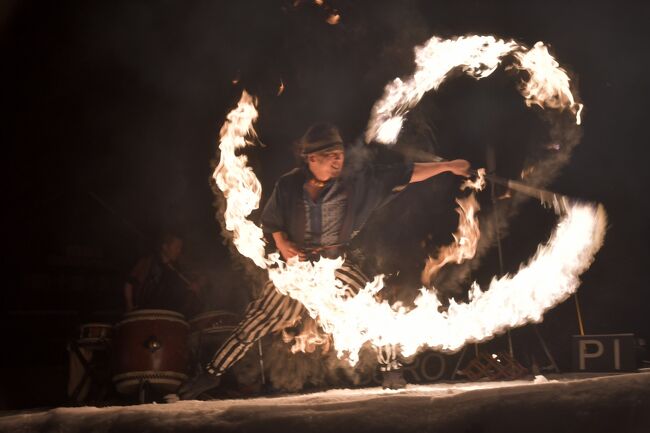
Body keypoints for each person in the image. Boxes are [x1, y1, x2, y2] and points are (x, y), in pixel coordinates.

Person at [179, 123, 470, 398]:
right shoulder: (289, 185)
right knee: (259, 319)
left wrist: (446, 166)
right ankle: (211, 373)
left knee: (373, 307)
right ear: (311, 158)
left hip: (335, 263)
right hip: (295, 271)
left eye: (340, 154)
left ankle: (391, 370)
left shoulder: (356, 182)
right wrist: (284, 244)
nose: (337, 161)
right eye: (330, 156)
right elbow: (271, 223)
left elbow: (404, 173)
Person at [123, 233, 201, 317]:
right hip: (143, 313)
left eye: (180, 248)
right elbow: (129, 283)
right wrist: (129, 305)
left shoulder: (176, 271)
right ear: (165, 247)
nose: (179, 251)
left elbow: (180, 297)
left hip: (165, 315)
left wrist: (192, 290)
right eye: (177, 247)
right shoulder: (147, 262)